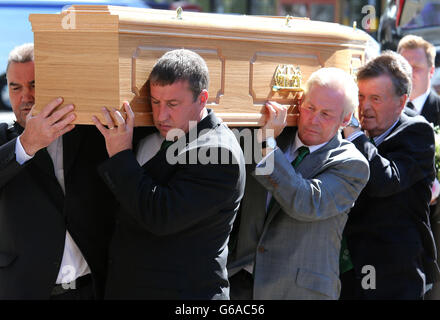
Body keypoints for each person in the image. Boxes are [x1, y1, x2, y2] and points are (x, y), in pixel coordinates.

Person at [92, 49, 246, 299]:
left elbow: (161, 216)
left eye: (173, 104)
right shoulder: (152, 136)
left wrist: (121, 155)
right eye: (154, 102)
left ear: (202, 99)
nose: (161, 115)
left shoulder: (218, 153)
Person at [226, 67, 370, 300]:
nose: (313, 120)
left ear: (345, 119)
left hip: (298, 292)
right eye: (310, 108)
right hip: (240, 283)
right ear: (300, 102)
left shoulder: (352, 164)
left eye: (326, 114)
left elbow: (304, 202)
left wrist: (267, 145)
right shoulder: (267, 134)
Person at [0, 43, 116, 299]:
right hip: (25, 291)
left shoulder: (91, 135)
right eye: (15, 87)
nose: (25, 96)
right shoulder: (5, 141)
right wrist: (26, 144)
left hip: (91, 288)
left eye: (34, 84)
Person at [340, 51, 440, 300]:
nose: (364, 107)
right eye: (361, 96)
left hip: (394, 273)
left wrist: (354, 135)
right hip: (349, 269)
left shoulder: (417, 132)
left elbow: (384, 181)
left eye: (375, 98)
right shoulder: (353, 133)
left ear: (401, 101)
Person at [398, 35, 440, 299]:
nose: (410, 74)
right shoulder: (386, 109)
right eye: (404, 66)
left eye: (417, 68)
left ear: (432, 71)